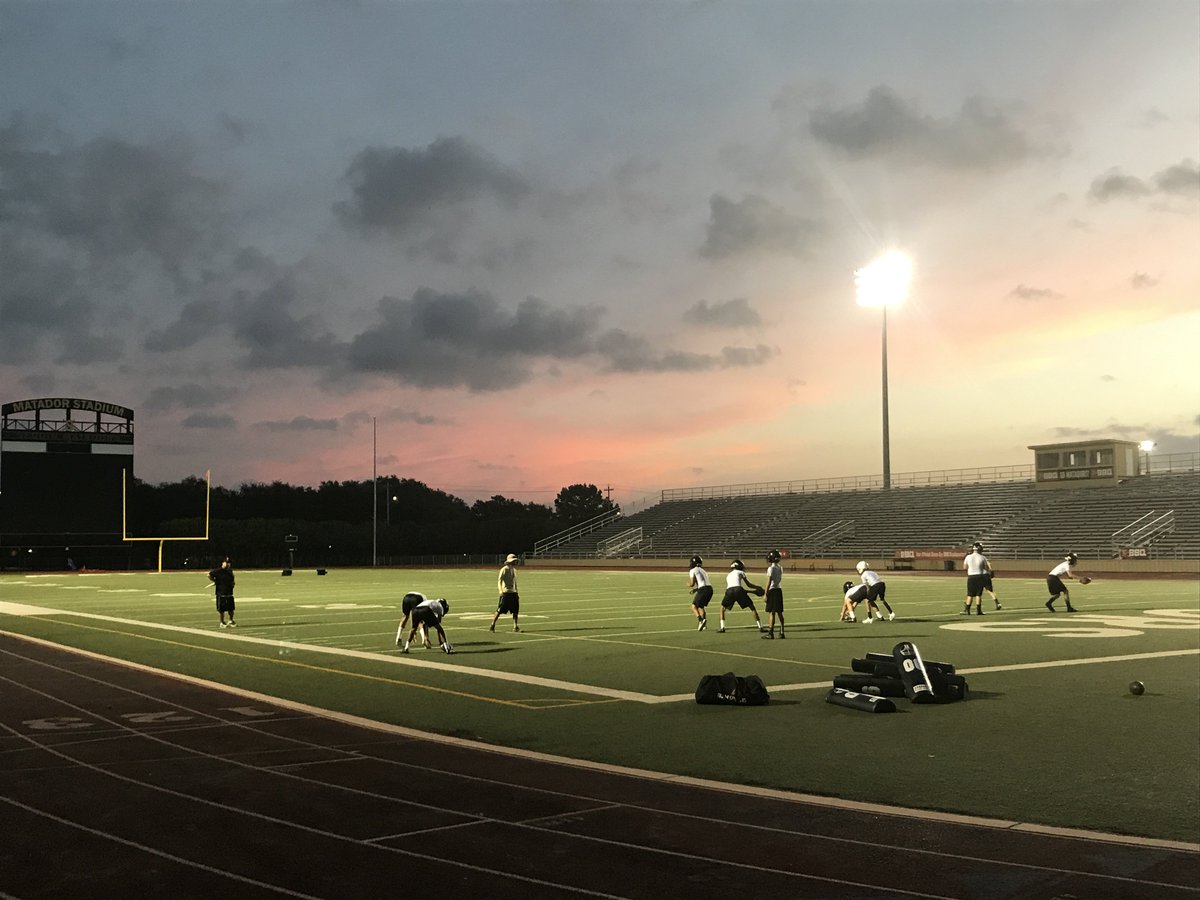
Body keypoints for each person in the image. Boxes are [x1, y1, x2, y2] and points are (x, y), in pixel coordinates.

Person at [718, 559, 766, 634]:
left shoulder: (729, 575)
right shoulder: (741, 572)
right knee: (752, 608)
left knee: (722, 608)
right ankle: (761, 627)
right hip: (739, 589)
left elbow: (733, 587)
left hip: (729, 590)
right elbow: (748, 585)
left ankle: (722, 627)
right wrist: (757, 587)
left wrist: (749, 591)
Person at [490, 553, 521, 633]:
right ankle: (493, 624)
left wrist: (517, 592)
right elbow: (499, 580)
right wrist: (500, 590)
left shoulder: (514, 570)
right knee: (500, 610)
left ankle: (515, 626)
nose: (515, 562)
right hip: (506, 593)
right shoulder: (504, 569)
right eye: (513, 561)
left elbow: (515, 582)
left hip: (513, 593)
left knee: (515, 610)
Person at [962, 542, 992, 616]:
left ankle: (967, 610)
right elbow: (986, 568)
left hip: (971, 576)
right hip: (980, 576)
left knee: (970, 594)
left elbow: (964, 567)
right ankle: (978, 611)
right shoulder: (982, 557)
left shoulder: (968, 557)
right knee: (978, 594)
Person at [761, 550, 785, 639]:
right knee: (779, 612)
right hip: (779, 589)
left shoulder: (771, 568)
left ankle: (771, 632)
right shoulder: (780, 567)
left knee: (772, 613)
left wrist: (765, 594)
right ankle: (782, 631)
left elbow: (769, 582)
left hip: (772, 590)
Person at [208, 557, 236, 628]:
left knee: (231, 609)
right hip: (221, 592)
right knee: (221, 609)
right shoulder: (218, 571)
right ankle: (222, 622)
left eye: (228, 563)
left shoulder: (230, 571)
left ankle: (231, 620)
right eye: (226, 562)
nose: (227, 564)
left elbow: (232, 580)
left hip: (229, 592)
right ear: (222, 563)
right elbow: (209, 575)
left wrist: (232, 584)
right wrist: (215, 581)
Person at [687, 554, 712, 631]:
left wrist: (688, 584)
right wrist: (696, 590)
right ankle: (704, 626)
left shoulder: (692, 570)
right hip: (710, 589)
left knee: (693, 606)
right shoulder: (703, 570)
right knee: (701, 607)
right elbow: (703, 582)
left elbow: (692, 583)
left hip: (703, 589)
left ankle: (700, 620)